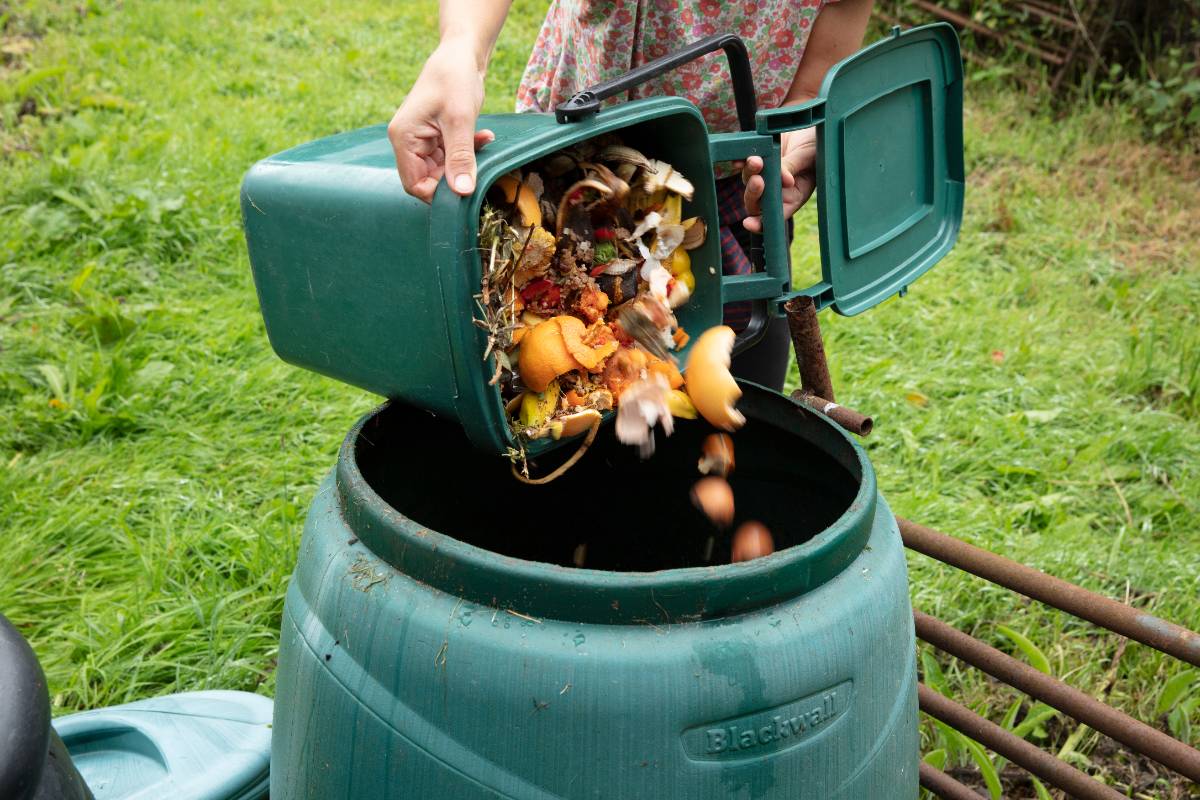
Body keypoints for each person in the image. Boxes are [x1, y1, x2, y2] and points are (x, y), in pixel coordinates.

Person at [388, 0, 873, 391]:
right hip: (563, 169)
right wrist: (461, 49)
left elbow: (829, 44)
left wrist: (798, 129)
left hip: (730, 192)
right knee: (536, 373)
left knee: (737, 392)